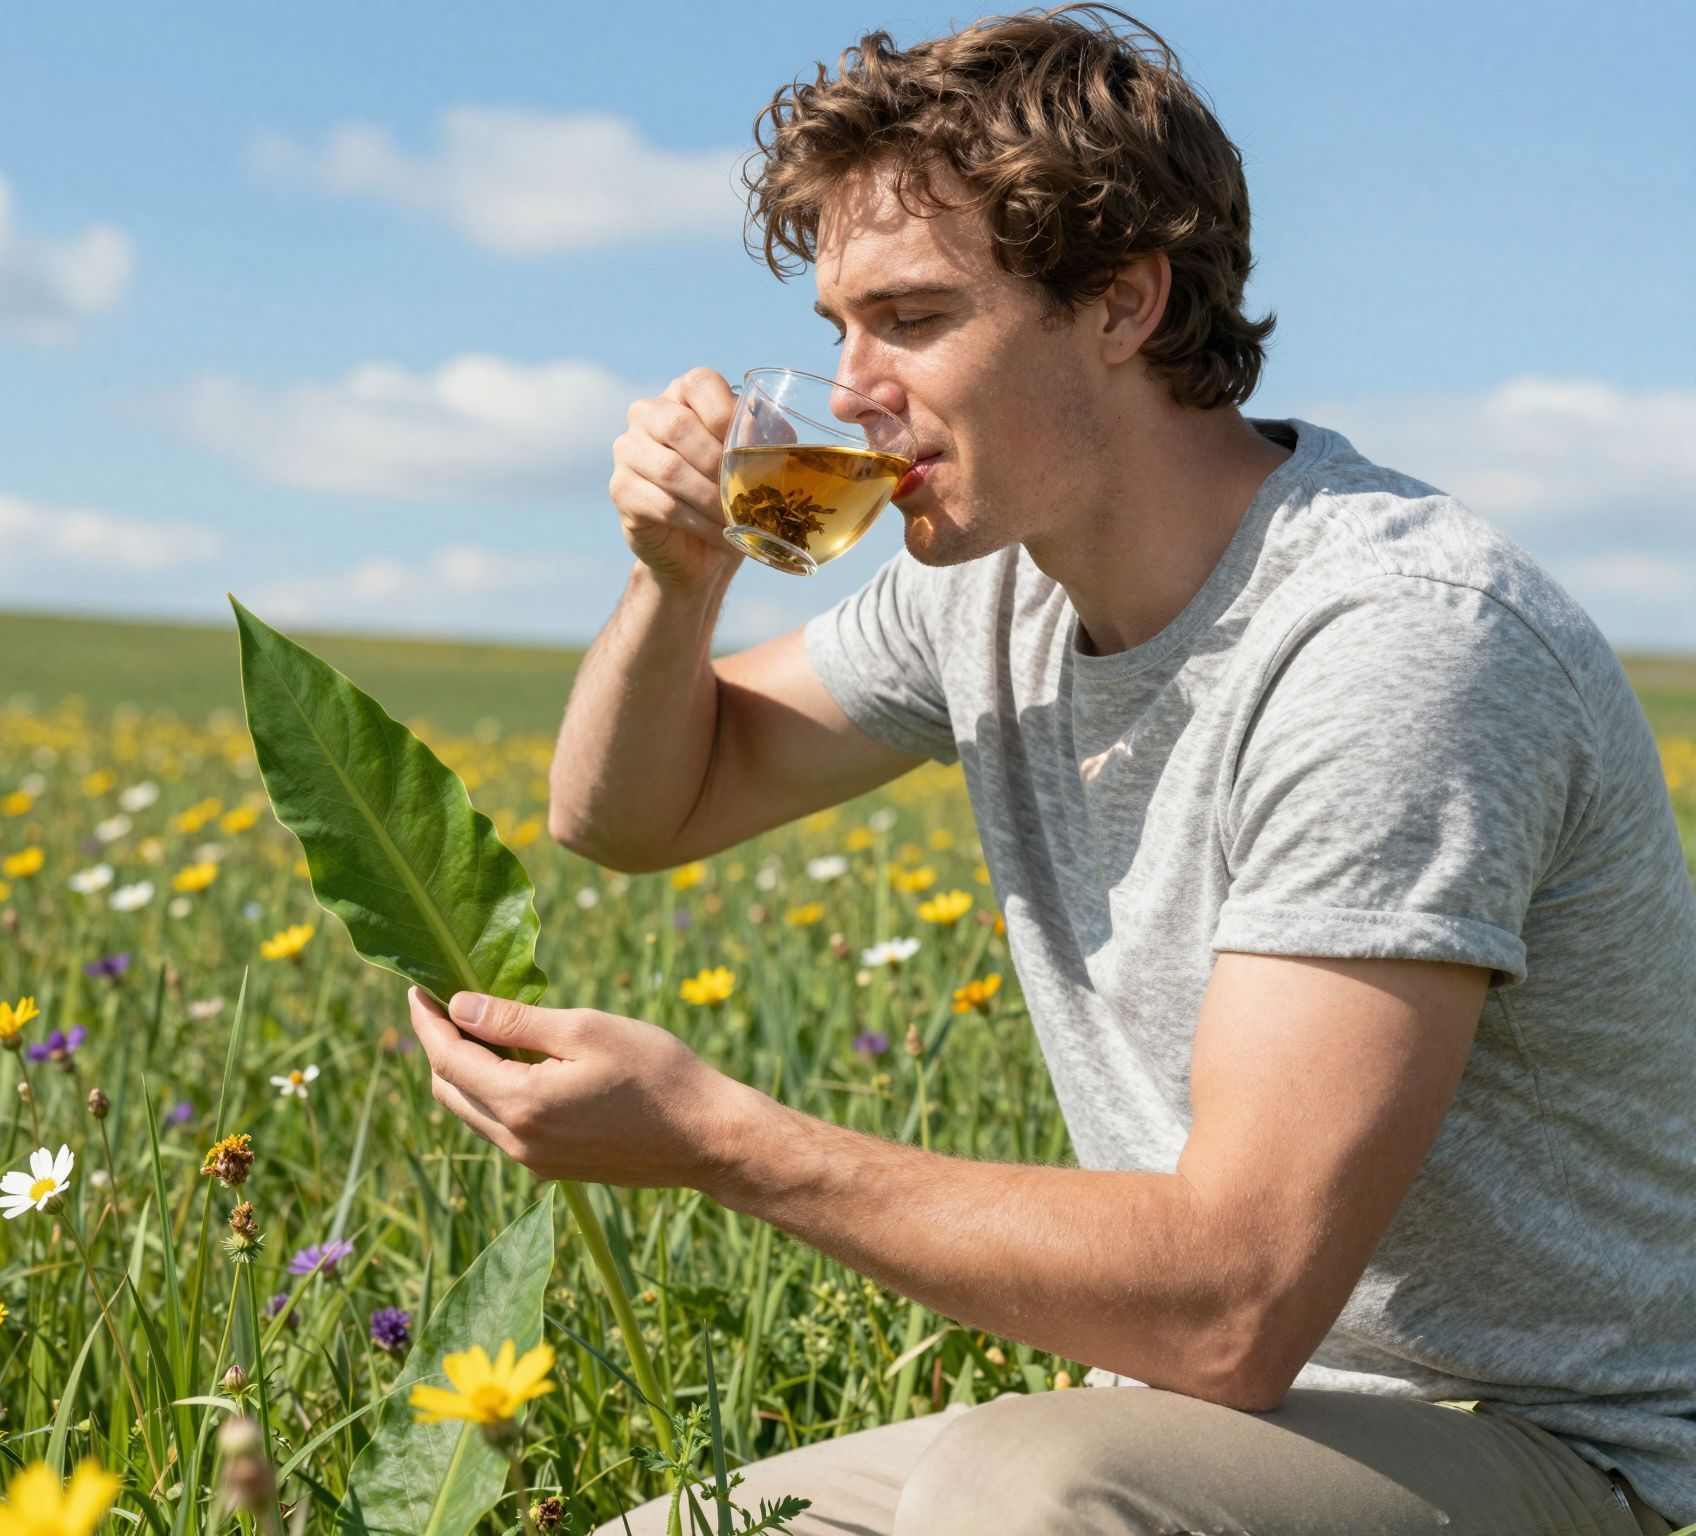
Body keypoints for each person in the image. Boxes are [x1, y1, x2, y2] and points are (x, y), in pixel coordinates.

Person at [403, 6, 1696, 1531]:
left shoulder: (1394, 641)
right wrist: (677, 584)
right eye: (837, 330)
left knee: (1037, 1493)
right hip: (1203, 1419)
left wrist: (725, 1147)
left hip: (1557, 1445)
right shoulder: (993, 585)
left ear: (1124, 303)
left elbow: (1235, 1302)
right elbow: (629, 812)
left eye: (916, 318)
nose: (856, 385)